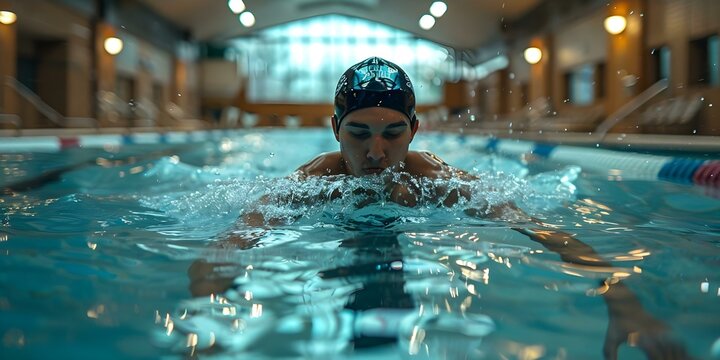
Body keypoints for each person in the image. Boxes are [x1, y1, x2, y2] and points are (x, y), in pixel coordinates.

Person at [191, 57, 690, 359]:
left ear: (416, 131)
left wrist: (621, 298)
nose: (376, 153)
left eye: (393, 134)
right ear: (334, 130)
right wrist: (208, 316)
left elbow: (538, 229)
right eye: (358, 134)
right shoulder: (314, 181)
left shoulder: (440, 181)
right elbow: (233, 240)